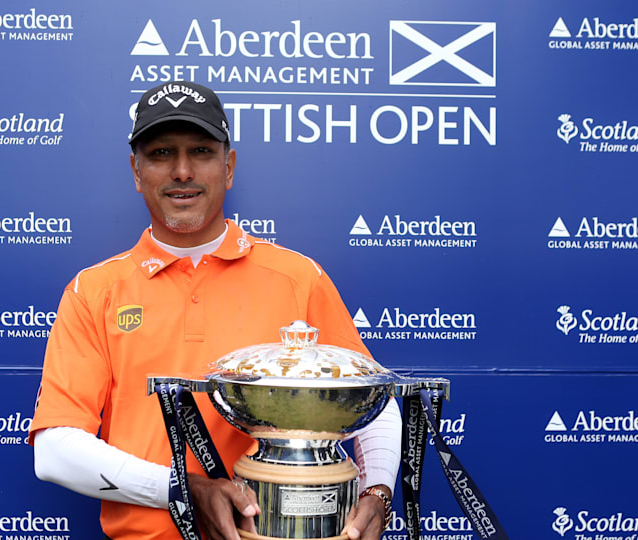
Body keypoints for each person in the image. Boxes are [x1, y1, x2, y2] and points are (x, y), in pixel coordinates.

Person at [30, 81, 401, 540]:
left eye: (202, 151)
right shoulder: (94, 290)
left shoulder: (298, 276)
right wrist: (184, 489)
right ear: (135, 170)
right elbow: (55, 450)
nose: (182, 171)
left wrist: (378, 492)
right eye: (162, 152)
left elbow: (368, 399)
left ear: (229, 167)